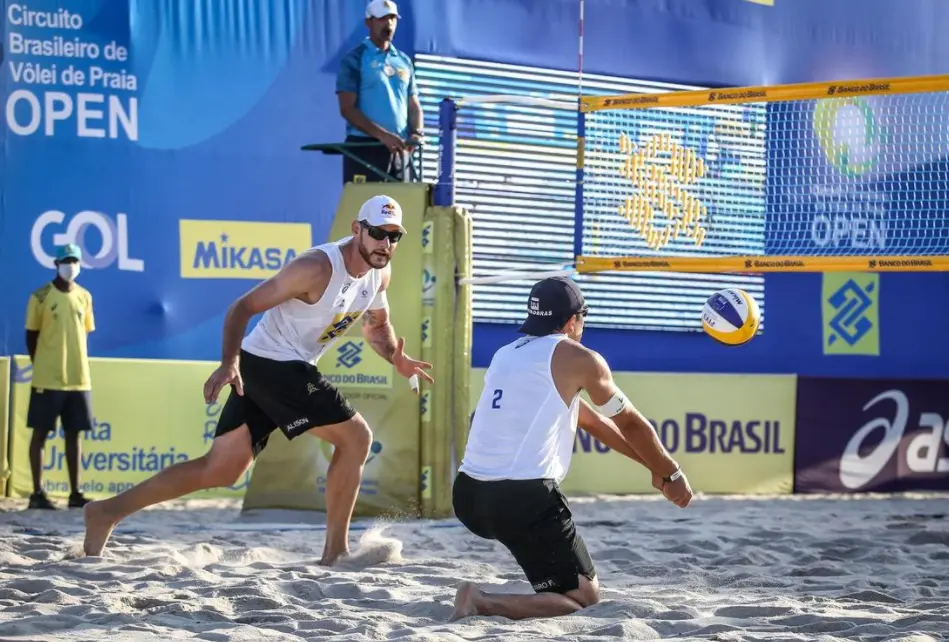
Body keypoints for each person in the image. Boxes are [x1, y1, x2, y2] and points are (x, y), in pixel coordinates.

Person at [82, 195, 434, 560]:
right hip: (271, 364)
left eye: (394, 236)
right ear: (356, 229)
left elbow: (377, 327)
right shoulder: (315, 267)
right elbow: (242, 307)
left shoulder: (379, 274)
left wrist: (397, 358)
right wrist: (228, 362)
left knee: (220, 469)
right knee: (357, 438)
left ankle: (106, 512)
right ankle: (336, 553)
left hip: (270, 366)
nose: (385, 243)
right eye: (378, 233)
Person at [450, 276, 694, 622]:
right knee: (583, 600)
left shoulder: (507, 355)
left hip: (469, 497)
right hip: (521, 500)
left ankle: (509, 594)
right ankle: (479, 601)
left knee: (555, 580)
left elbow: (593, 423)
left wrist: (651, 467)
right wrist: (672, 472)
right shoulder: (580, 359)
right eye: (584, 316)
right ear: (571, 321)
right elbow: (631, 424)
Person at [24, 243, 96, 510]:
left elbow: (85, 331)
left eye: (74, 260)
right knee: (40, 433)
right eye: (66, 260)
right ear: (56, 264)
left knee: (75, 434)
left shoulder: (85, 296)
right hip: (47, 378)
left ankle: (75, 493)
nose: (70, 265)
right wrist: (42, 363)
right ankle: (37, 493)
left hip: (79, 377)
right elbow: (31, 335)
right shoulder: (40, 296)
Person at [335, 0, 424, 184]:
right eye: (382, 19)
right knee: (366, 210)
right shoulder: (355, 58)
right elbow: (347, 108)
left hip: (399, 150)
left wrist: (416, 134)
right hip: (365, 149)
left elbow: (413, 104)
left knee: (399, 210)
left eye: (392, 19)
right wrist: (383, 136)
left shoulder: (403, 61)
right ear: (369, 22)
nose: (389, 24)